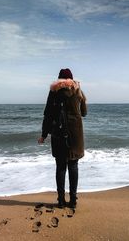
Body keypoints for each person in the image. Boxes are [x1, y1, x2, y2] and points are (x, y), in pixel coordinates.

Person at [38, 68, 87, 209]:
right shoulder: (78, 91)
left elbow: (48, 115)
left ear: (58, 79)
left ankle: (60, 200)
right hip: (76, 135)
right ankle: (73, 200)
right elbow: (84, 113)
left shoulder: (53, 92)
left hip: (58, 133)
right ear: (72, 79)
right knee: (73, 166)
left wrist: (44, 135)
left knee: (60, 167)